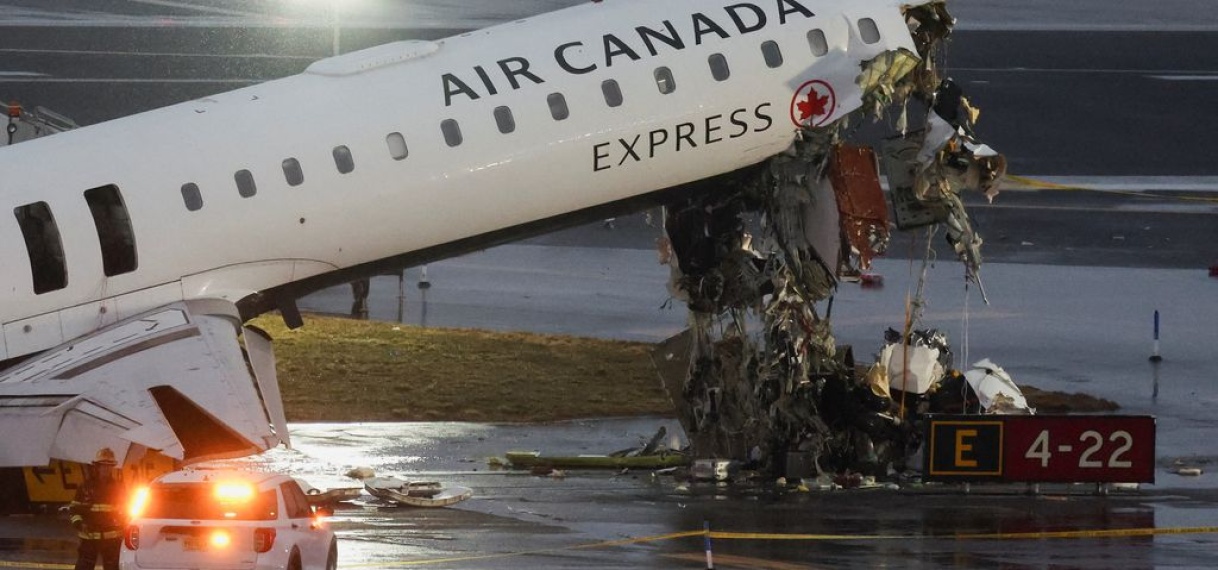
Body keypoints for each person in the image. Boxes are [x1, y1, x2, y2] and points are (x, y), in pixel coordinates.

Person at [69, 448, 126, 570]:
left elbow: (125, 511)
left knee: (112, 567)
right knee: (84, 566)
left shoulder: (119, 488)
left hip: (112, 539)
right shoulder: (85, 487)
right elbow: (75, 509)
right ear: (97, 467)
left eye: (109, 466)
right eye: (103, 466)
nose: (106, 469)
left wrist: (124, 526)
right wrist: (79, 524)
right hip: (89, 538)